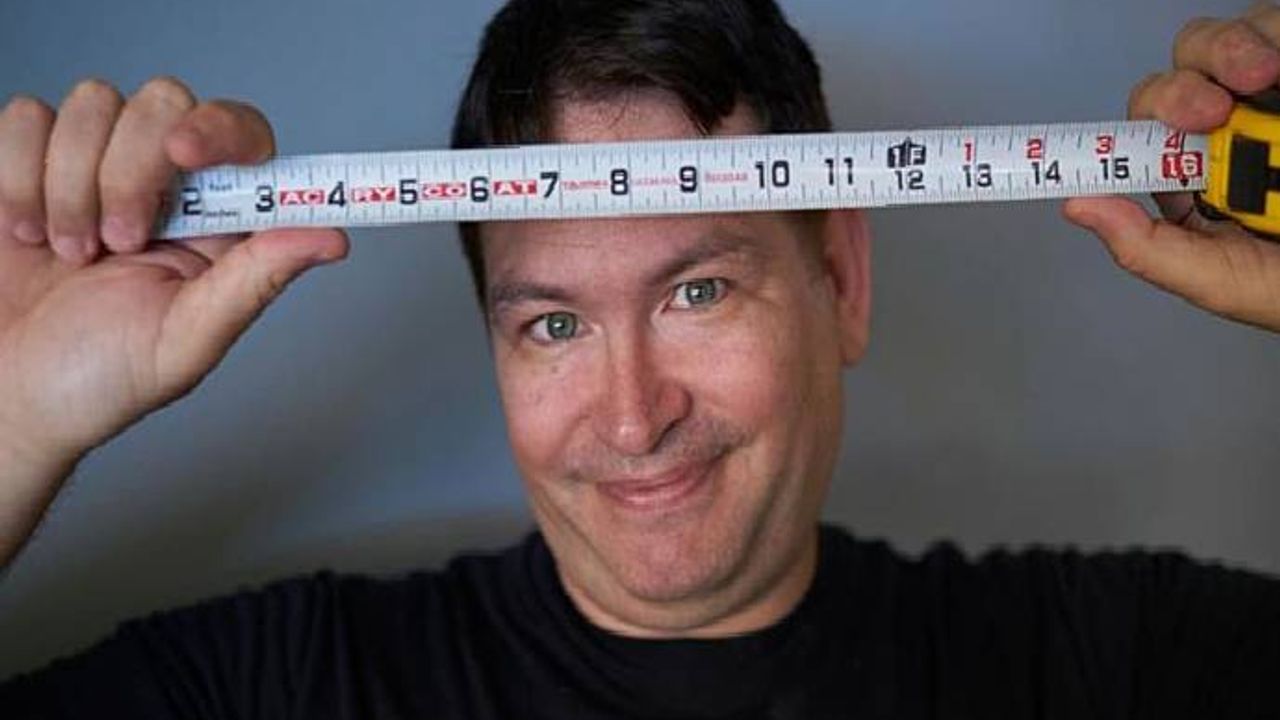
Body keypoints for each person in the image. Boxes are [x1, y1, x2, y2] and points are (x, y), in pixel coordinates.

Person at [2, 0, 1279, 716]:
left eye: (697, 290)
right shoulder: (276, 690)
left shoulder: (1122, 666)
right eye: (551, 324)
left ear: (840, 281)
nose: (630, 418)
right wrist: (14, 420)